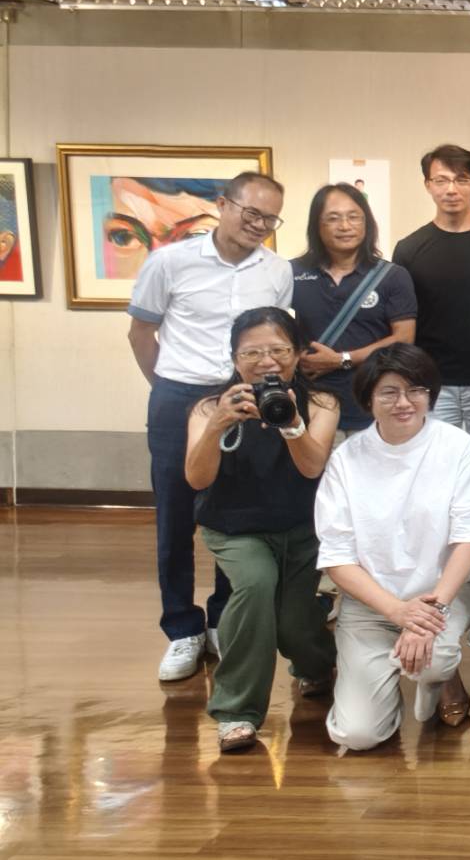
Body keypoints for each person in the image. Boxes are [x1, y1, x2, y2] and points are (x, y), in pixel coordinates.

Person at [127, 171, 291, 681]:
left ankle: (221, 618)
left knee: (232, 512)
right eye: (251, 213)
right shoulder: (169, 261)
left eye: (270, 219)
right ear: (224, 204)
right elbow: (141, 333)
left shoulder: (277, 270)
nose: (258, 225)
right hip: (178, 395)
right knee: (175, 515)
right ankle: (181, 628)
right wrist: (168, 388)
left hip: (241, 395)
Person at [316, 344, 470, 750]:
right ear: (368, 399)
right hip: (372, 603)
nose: (404, 402)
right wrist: (397, 612)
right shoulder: (346, 459)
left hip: (442, 594)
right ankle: (392, 675)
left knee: (436, 660)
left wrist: (429, 612)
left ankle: (439, 676)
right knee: (358, 735)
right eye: (389, 392)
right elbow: (337, 556)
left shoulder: (458, 447)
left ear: (431, 394)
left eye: (415, 390)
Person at [184, 308, 339, 752]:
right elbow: (196, 478)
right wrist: (218, 425)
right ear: (235, 358)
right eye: (252, 352)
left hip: (302, 528)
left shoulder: (321, 403)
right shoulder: (208, 407)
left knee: (293, 624)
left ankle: (316, 665)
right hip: (235, 527)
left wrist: (291, 424)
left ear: (297, 354)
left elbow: (311, 467)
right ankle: (236, 711)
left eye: (278, 350)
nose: (266, 361)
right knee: (254, 586)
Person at [395, 144, 470, 470]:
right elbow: (404, 323)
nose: (451, 189)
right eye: (441, 180)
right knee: (432, 472)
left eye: (462, 179)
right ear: (427, 185)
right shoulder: (409, 249)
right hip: (432, 384)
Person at [291, 183, 417, 438]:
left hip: (372, 403)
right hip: (313, 403)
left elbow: (404, 338)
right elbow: (272, 328)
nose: (345, 226)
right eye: (333, 218)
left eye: (354, 217)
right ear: (316, 225)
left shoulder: (392, 276)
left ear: (367, 223)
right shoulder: (292, 272)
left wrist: (342, 359)